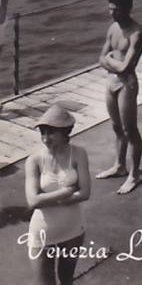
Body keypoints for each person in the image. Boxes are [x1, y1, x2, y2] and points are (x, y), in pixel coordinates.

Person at [25, 105, 91, 285]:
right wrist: (67, 192)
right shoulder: (34, 160)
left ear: (65, 132)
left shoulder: (78, 154)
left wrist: (48, 199)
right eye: (43, 133)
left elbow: (85, 193)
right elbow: (33, 201)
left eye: (51, 133)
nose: (45, 138)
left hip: (73, 229)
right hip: (42, 233)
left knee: (67, 280)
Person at [95, 0, 142, 195]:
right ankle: (119, 165)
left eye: (115, 10)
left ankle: (135, 174)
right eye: (109, 9)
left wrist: (110, 61)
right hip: (111, 82)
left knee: (129, 130)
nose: (111, 13)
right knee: (116, 127)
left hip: (127, 85)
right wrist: (113, 63)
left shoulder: (137, 33)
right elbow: (100, 58)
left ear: (127, 9)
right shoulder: (112, 28)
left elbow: (126, 68)